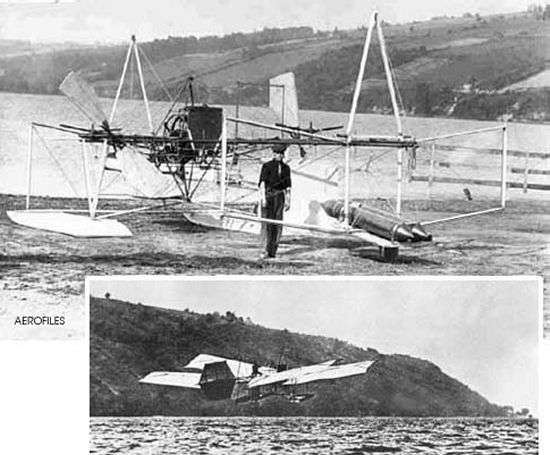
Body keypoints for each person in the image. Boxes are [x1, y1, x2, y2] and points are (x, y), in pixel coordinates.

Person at [258, 142, 292, 258]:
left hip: (279, 196)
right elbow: (262, 183)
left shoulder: (286, 168)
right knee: (266, 223)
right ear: (273, 154)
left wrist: (288, 200)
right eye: (277, 153)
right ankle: (264, 250)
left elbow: (288, 187)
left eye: (281, 153)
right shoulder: (267, 166)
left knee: (278, 223)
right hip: (268, 195)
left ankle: (273, 251)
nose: (279, 155)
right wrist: (263, 198)